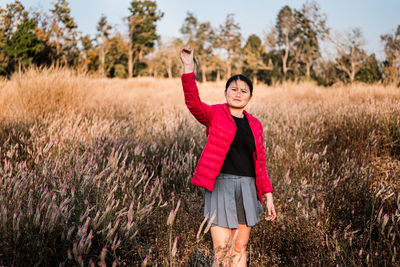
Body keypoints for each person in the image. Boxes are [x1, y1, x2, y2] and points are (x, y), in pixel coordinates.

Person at [180, 47, 276, 266]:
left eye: (244, 90)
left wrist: (268, 195)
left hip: (248, 188)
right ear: (225, 93)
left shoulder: (255, 124)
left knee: (239, 248)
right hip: (221, 185)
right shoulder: (215, 114)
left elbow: (260, 163)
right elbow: (193, 103)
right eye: (233, 89)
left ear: (250, 97)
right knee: (222, 251)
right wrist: (188, 67)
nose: (238, 93)